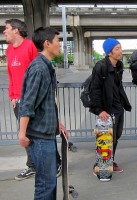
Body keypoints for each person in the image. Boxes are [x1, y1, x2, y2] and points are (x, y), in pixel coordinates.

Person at [3, 19, 62, 181]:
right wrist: (12, 94)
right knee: (28, 135)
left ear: (16, 30)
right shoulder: (9, 49)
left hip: (32, 98)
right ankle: (33, 165)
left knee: (43, 132)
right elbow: (11, 75)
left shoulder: (29, 46)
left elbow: (37, 72)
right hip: (18, 100)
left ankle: (54, 163)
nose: (4, 31)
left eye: (7, 28)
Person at [18, 27, 69, 199]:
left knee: (49, 182)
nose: (60, 45)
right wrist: (22, 133)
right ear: (47, 44)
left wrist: (57, 123)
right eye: (57, 41)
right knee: (45, 185)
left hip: (46, 133)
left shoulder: (46, 67)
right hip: (39, 137)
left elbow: (47, 102)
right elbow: (28, 103)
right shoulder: (39, 69)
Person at [90, 38, 132, 173]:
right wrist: (99, 110)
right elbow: (95, 90)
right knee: (107, 138)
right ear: (109, 52)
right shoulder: (101, 66)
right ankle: (101, 163)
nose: (120, 51)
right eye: (117, 49)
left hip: (118, 107)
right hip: (107, 109)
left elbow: (117, 87)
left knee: (116, 135)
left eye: (120, 47)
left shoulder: (119, 66)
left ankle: (109, 160)